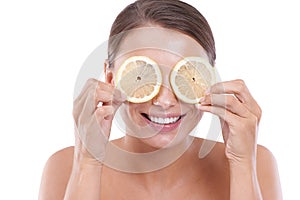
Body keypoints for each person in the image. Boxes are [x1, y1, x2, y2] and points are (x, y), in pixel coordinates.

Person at [38, 0, 282, 199]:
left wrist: (242, 164)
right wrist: (88, 163)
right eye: (142, 75)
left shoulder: (255, 162)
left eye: (186, 75)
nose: (165, 101)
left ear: (208, 79)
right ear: (112, 79)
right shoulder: (64, 167)